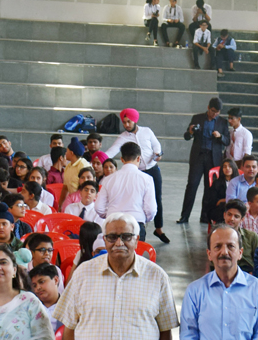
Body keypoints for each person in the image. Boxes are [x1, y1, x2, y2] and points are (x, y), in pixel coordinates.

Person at [105, 108, 169, 243]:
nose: (127, 125)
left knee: (157, 199)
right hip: (137, 173)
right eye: (124, 122)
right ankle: (140, 224)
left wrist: (158, 154)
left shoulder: (147, 131)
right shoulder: (123, 137)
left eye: (129, 121)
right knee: (138, 200)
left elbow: (156, 145)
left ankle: (159, 228)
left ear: (135, 120)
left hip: (152, 169)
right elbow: (112, 151)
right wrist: (99, 158)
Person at [179, 98, 230, 225]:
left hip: (213, 158)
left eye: (217, 112)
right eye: (213, 111)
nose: (215, 114)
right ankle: (184, 216)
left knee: (210, 188)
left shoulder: (223, 122)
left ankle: (205, 216)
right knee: (192, 185)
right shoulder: (197, 118)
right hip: (198, 156)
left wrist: (220, 136)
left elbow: (227, 141)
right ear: (208, 108)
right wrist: (190, 131)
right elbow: (186, 136)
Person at [95, 142, 157, 238]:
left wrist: (110, 215)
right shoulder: (147, 179)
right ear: (138, 158)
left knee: (113, 248)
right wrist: (143, 218)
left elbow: (98, 207)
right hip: (136, 224)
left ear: (122, 159)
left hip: (113, 223)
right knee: (135, 248)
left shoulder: (108, 179)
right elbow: (151, 209)